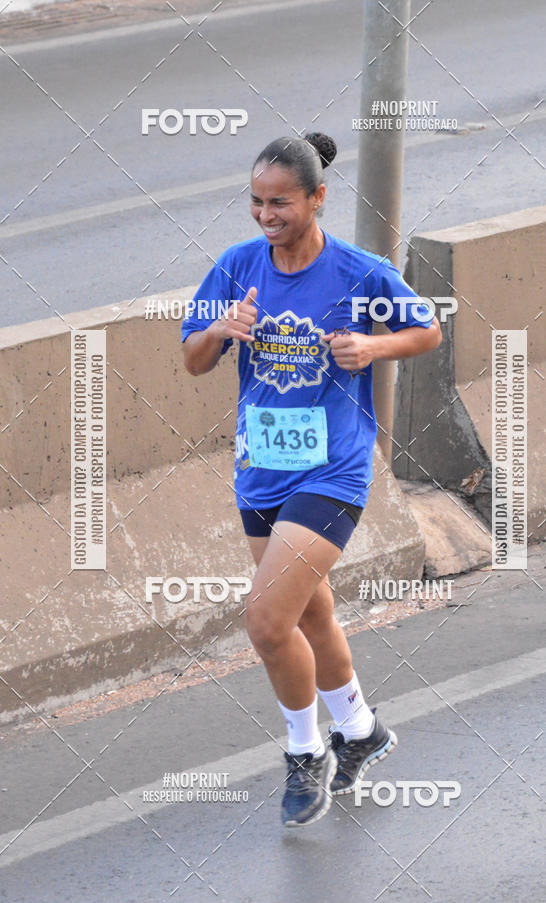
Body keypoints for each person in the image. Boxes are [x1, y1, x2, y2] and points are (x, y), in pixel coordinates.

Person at [182, 132, 442, 827]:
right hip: (261, 469)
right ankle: (361, 730)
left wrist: (373, 345)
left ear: (318, 198)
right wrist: (221, 332)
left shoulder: (359, 273)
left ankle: (306, 751)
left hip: (333, 469)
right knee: (308, 612)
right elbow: (192, 359)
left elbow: (426, 331)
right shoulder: (238, 268)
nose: (267, 215)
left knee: (268, 622)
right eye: (257, 203)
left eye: (282, 203)